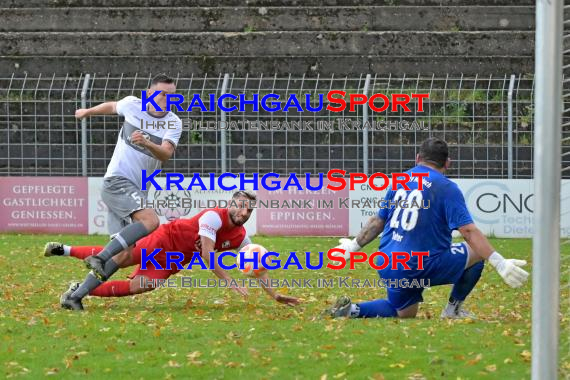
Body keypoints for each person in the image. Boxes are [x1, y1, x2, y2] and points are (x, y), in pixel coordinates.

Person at [325, 138, 529, 319]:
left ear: (417, 158)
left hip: (388, 263)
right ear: (447, 163)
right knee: (478, 252)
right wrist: (499, 262)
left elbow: (378, 221)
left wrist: (352, 247)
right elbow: (468, 232)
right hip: (418, 265)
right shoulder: (446, 187)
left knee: (403, 312)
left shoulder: (400, 181)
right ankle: (453, 310)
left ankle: (352, 310)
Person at [49, 190, 300, 310]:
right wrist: (229, 280)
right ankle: (67, 250)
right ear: (231, 203)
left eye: (249, 211)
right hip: (163, 239)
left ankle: (79, 291)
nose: (244, 213)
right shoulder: (214, 217)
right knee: (122, 257)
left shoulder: (242, 236)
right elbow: (208, 254)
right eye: (241, 207)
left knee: (142, 285)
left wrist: (274, 295)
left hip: (175, 259)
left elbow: (259, 267)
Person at [54, 73, 183, 306]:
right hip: (117, 181)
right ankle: (99, 257)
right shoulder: (133, 105)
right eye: (163, 94)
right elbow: (112, 106)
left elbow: (165, 153)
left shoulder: (173, 122)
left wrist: (147, 143)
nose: (167, 99)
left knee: (123, 255)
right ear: (150, 93)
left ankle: (74, 297)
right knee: (151, 221)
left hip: (136, 189)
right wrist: (87, 112)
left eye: (172, 95)